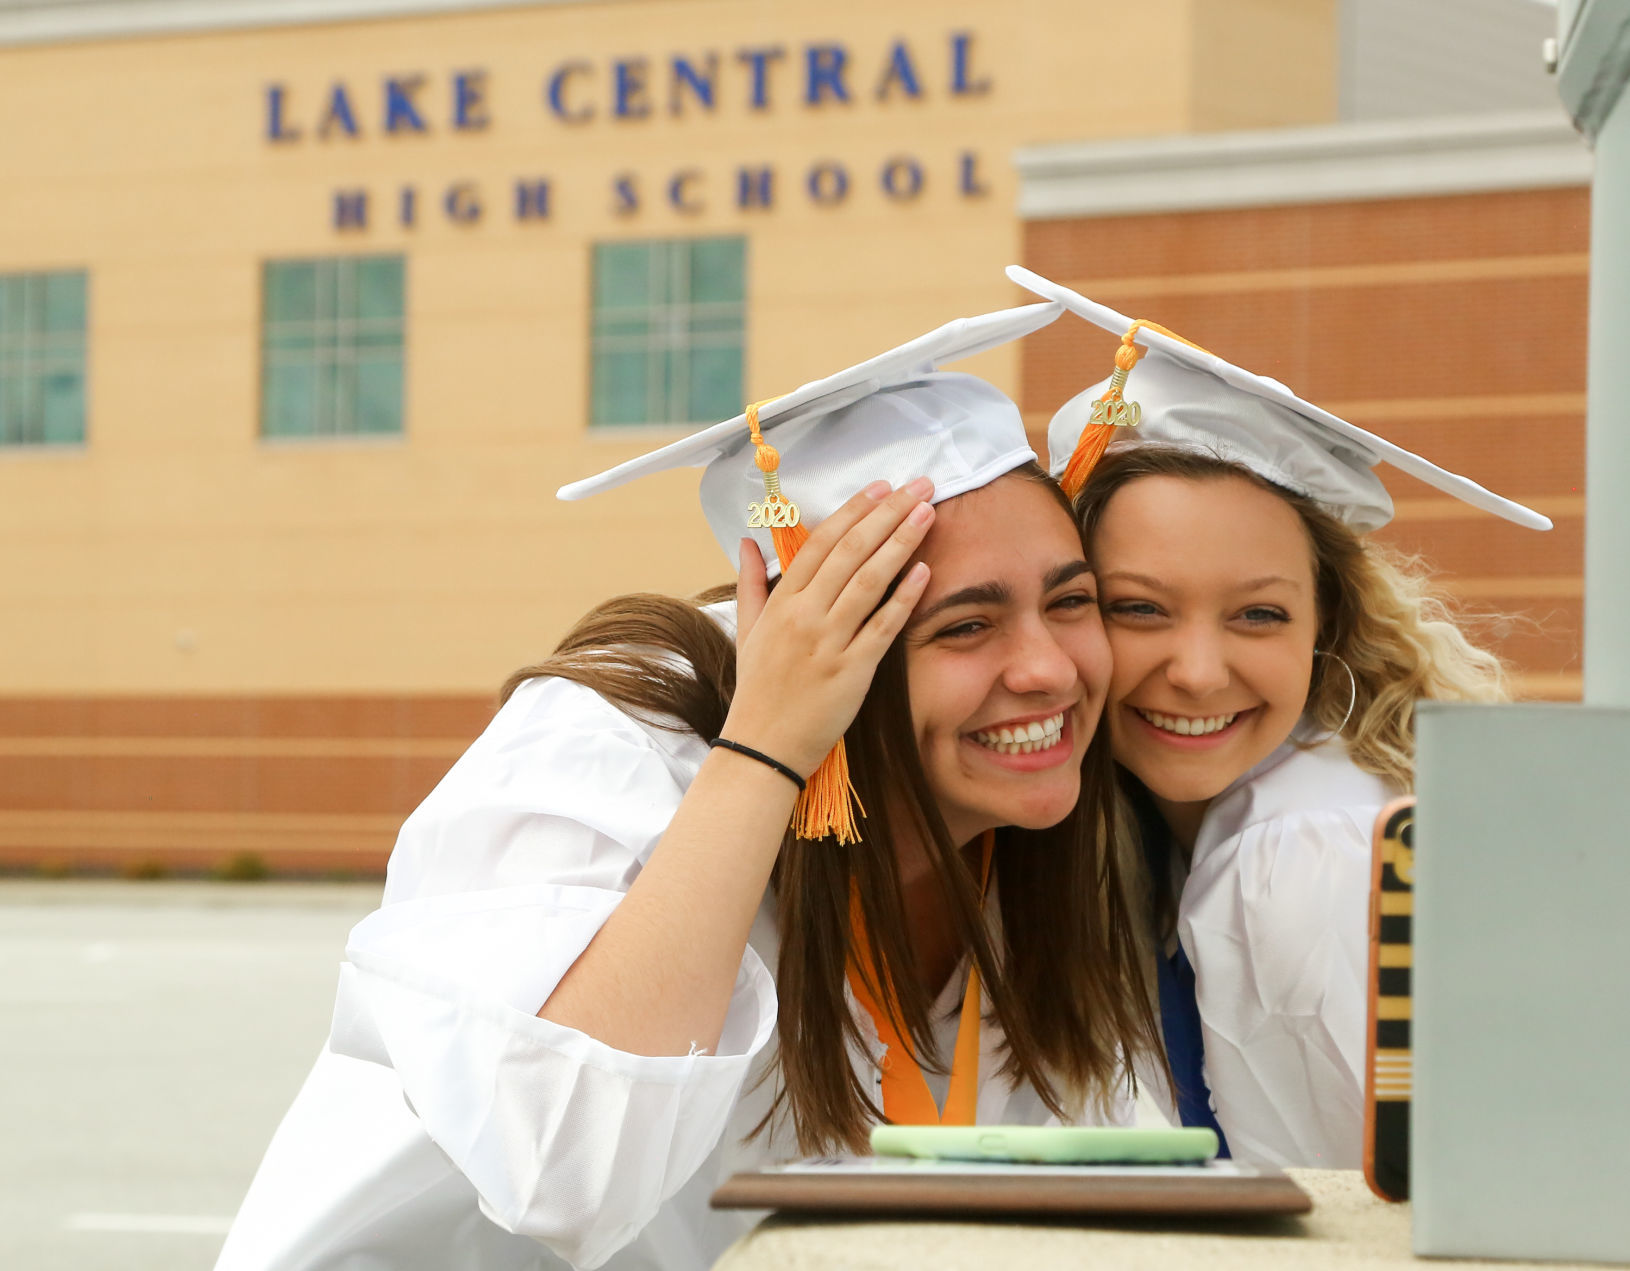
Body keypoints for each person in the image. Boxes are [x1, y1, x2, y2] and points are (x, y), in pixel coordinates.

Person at [213, 302, 1164, 1271]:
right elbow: (565, 1175)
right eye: (965, 625)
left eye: (1070, 599)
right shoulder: (609, 750)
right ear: (813, 641)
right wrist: (765, 749)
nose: (1047, 668)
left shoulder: (1039, 836)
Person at [1008, 265, 1551, 1168]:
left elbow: (1353, 1226)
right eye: (1138, 607)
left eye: (1259, 614)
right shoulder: (1182, 832)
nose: (1197, 671)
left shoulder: (1302, 858)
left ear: (1324, 626)